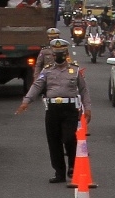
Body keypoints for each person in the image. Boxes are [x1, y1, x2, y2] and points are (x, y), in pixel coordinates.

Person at [19, 44, 88, 185]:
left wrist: (88, 108)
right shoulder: (47, 70)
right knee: (54, 141)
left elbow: (83, 89)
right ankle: (59, 172)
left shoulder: (74, 70)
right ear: (53, 56)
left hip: (70, 108)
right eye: (56, 54)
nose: (58, 57)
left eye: (61, 54)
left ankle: (72, 165)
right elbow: (37, 85)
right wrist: (27, 101)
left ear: (66, 54)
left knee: (69, 138)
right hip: (52, 109)